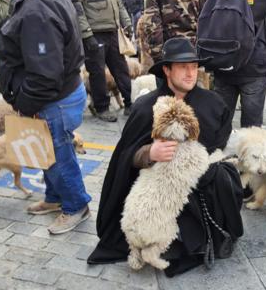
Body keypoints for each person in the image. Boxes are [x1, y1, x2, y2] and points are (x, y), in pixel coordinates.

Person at [88, 38, 242, 276]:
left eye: (193, 66)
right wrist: (149, 153)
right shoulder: (145, 107)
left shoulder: (215, 104)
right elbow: (124, 157)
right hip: (157, 190)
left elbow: (219, 147)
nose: (191, 73)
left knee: (224, 176)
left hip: (199, 187)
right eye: (183, 67)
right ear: (167, 70)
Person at [0, 0, 92, 235]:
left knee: (59, 154)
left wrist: (25, 104)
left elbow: (44, 74)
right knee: (46, 150)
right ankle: (54, 198)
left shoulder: (38, 7)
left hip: (54, 99)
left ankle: (76, 205)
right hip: (56, 95)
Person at [64, 0, 133, 122]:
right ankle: (101, 107)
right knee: (97, 72)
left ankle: (130, 102)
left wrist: (126, 22)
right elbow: (75, 5)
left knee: (121, 68)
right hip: (94, 31)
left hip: (112, 28)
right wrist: (87, 34)